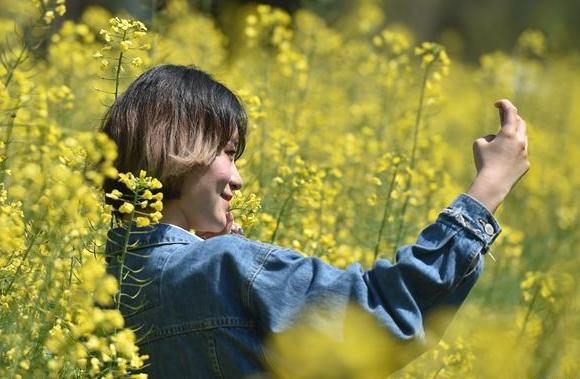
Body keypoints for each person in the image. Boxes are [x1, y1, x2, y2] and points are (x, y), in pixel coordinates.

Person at [101, 64, 529, 378]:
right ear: (178, 145)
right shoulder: (227, 268)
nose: (238, 178)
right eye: (228, 152)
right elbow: (381, 319)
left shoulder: (99, 288)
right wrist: (487, 190)